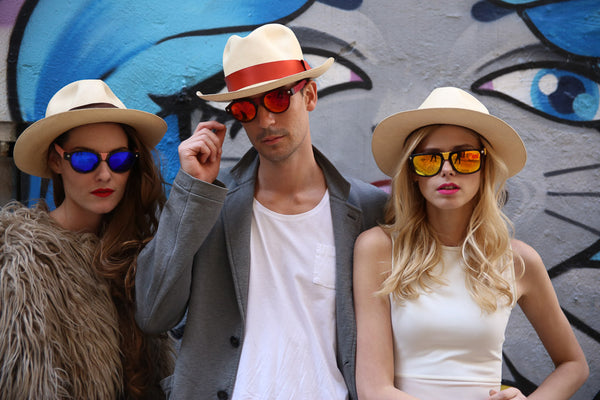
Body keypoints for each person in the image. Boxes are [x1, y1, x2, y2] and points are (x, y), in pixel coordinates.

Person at [135, 23, 388, 399]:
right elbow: (153, 312)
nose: (266, 120)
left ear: (311, 95)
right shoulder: (210, 206)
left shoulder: (368, 210)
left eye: (279, 99)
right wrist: (192, 192)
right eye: (246, 107)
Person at [353, 87, 589, 400]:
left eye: (464, 157)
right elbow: (373, 390)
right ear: (412, 172)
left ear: (484, 167)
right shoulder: (378, 249)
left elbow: (573, 364)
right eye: (428, 160)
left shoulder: (518, 261)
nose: (447, 169)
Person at [0, 79, 174, 399]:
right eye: (84, 159)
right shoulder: (28, 262)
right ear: (56, 161)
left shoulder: (137, 254)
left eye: (120, 159)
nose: (105, 174)